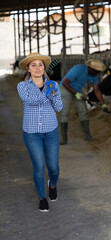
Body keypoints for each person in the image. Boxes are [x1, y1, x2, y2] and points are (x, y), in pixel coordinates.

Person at [17, 52, 63, 212]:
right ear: (28, 69)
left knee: (53, 167)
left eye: (40, 65)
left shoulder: (54, 85)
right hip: (31, 133)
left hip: (51, 131)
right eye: (33, 65)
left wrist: (54, 94)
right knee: (39, 166)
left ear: (44, 68)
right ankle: (42, 198)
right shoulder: (22, 86)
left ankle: (53, 184)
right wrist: (48, 94)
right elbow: (30, 101)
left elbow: (59, 107)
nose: (37, 68)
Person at [59, 59, 108, 145]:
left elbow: (97, 91)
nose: (98, 74)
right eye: (97, 72)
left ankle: (87, 136)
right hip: (65, 89)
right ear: (91, 69)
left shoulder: (94, 76)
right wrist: (75, 93)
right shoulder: (77, 69)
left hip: (77, 90)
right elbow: (65, 83)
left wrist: (103, 104)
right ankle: (63, 139)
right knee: (65, 112)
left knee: (83, 111)